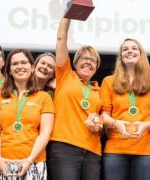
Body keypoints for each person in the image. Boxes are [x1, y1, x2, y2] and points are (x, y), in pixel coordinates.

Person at [100, 38, 150, 180]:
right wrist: (116, 123)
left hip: (148, 150)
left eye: (134, 48)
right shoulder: (108, 81)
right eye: (125, 49)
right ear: (121, 56)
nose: (130, 51)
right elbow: (104, 116)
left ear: (141, 53)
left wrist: (145, 125)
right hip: (115, 148)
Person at [47, 17, 103, 180]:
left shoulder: (98, 90)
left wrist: (98, 122)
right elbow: (61, 37)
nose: (88, 62)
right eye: (84, 58)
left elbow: (104, 122)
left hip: (92, 150)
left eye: (93, 60)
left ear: (96, 67)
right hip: (65, 147)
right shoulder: (65, 75)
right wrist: (68, 15)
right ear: (75, 62)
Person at [0, 49, 54, 179]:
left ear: (32, 67)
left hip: (34, 162)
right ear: (9, 70)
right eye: (15, 64)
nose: (20, 67)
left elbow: (45, 132)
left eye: (24, 62)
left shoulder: (44, 97)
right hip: (0, 162)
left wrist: (29, 160)